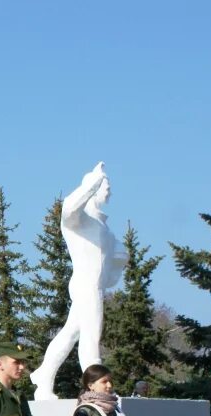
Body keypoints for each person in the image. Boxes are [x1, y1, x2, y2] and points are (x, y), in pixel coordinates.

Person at [28, 162, 128, 400]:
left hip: (96, 285)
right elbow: (69, 207)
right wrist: (92, 182)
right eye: (106, 187)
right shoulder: (80, 220)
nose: (109, 192)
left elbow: (115, 261)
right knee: (91, 336)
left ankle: (44, 375)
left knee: (70, 334)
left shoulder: (105, 228)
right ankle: (95, 386)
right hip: (86, 284)